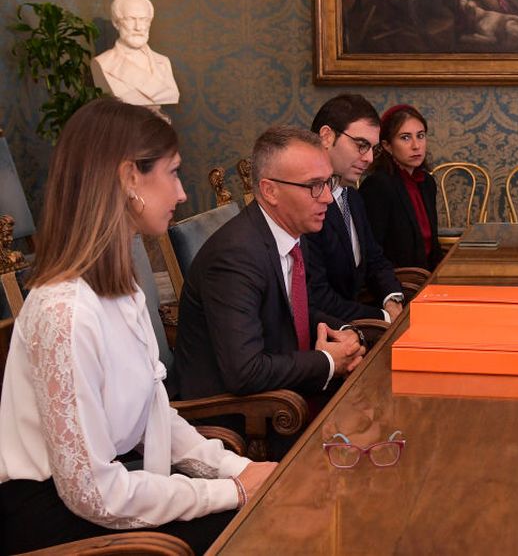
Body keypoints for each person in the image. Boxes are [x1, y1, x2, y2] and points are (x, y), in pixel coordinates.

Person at [0, 98, 274, 554]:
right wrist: (232, 492)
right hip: (48, 514)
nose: (183, 193)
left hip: (112, 482)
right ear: (129, 178)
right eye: (173, 172)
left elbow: (155, 411)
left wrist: (234, 469)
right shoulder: (64, 311)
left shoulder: (120, 285)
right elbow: (93, 494)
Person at [173, 127, 364, 404]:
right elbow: (245, 373)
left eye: (328, 182)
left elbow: (294, 310)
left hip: (282, 390)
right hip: (239, 415)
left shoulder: (293, 232)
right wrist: (327, 362)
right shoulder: (234, 257)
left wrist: (346, 333)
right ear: (270, 191)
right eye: (314, 186)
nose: (326, 197)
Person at [305, 94, 405, 322]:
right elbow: (318, 298)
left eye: (373, 149)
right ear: (327, 137)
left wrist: (392, 298)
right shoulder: (305, 203)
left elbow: (375, 259)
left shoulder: (352, 196)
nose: (369, 158)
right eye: (361, 146)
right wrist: (383, 318)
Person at [359, 104, 445, 271]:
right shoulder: (378, 185)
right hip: (399, 282)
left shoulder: (427, 182)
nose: (416, 145)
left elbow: (432, 245)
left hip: (426, 276)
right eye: (405, 138)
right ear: (387, 145)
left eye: (420, 136)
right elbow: (373, 252)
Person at [90, 0, 180, 114]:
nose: (138, 27)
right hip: (124, 123)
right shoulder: (103, 63)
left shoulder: (163, 62)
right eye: (130, 19)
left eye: (143, 20)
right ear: (116, 23)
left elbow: (171, 94)